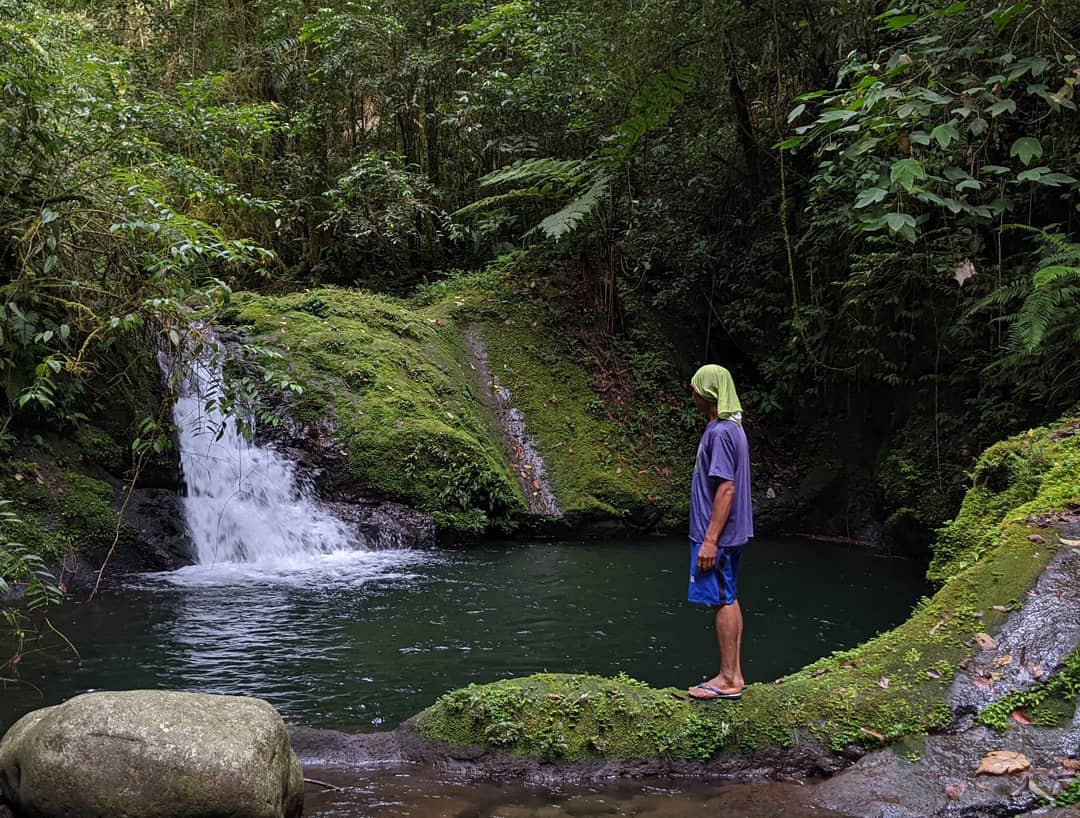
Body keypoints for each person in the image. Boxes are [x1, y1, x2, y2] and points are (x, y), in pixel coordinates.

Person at [685, 364, 753, 701]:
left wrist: (710, 540)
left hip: (718, 536)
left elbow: (726, 488)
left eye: (696, 390)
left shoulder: (722, 433)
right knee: (728, 596)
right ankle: (734, 673)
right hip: (725, 534)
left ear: (709, 395)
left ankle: (728, 679)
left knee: (722, 600)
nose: (693, 395)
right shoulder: (727, 428)